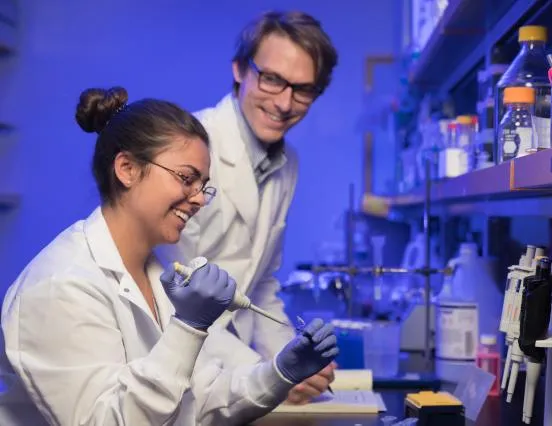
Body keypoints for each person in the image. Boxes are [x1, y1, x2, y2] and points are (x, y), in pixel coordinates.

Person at [0, 87, 339, 426]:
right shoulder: (62, 287)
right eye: (186, 178)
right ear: (128, 169)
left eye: (203, 185)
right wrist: (188, 328)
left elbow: (202, 400)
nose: (199, 199)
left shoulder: (154, 276)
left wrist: (280, 373)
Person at [157, 10, 339, 405]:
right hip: (178, 361)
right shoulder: (189, 146)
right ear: (240, 69)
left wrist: (291, 361)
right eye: (272, 79)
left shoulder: (287, 162)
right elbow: (173, 291)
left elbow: (263, 284)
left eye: (303, 89)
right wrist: (272, 372)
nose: (285, 102)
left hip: (229, 368)